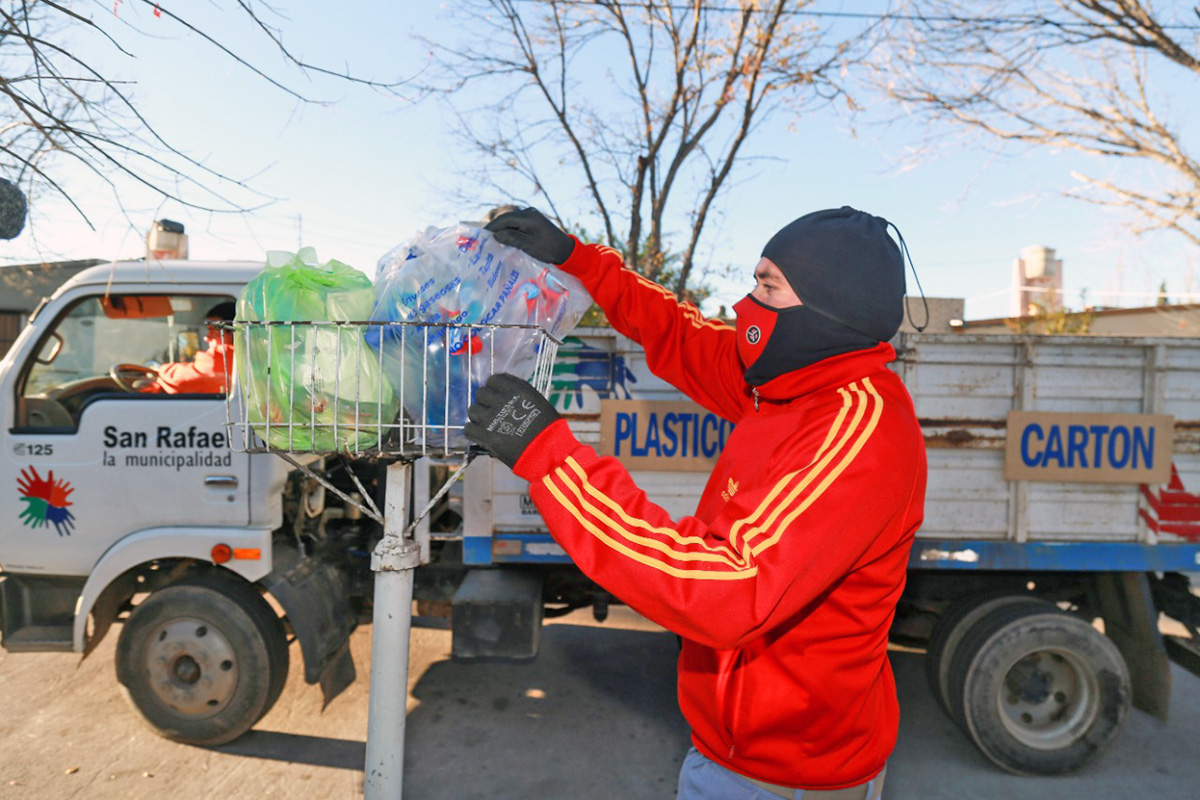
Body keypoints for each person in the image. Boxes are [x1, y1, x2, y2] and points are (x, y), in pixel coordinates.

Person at [465, 206, 927, 799]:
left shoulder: (857, 431)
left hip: (788, 779)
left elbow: (728, 588)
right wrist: (577, 259)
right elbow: (678, 333)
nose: (746, 305)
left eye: (768, 285)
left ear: (827, 308)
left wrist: (552, 458)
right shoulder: (791, 383)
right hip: (732, 752)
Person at [141, 300, 235, 395]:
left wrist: (160, 370)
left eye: (213, 330)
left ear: (233, 332)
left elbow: (182, 380)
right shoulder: (241, 355)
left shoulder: (222, 357)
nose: (206, 338)